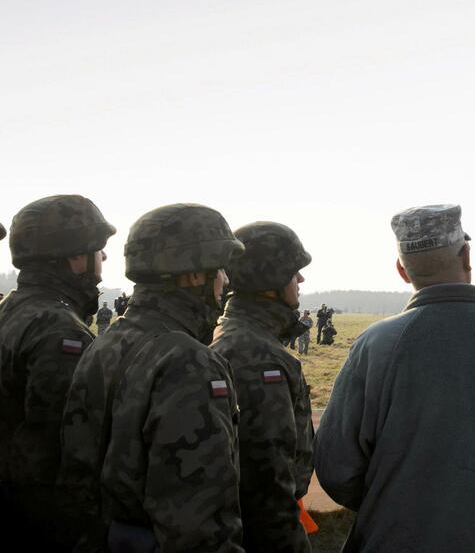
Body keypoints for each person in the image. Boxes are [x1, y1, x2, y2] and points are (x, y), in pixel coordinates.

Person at [315, 204, 475, 552]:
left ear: (401, 270)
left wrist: (390, 502)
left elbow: (337, 468)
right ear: (467, 256)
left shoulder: (376, 346)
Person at [59, 203, 245, 552]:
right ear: (194, 275)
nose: (226, 281)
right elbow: (200, 525)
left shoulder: (106, 343)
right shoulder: (189, 362)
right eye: (220, 269)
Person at [0, 195, 115, 551]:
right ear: (76, 257)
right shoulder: (60, 330)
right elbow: (60, 454)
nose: (105, 257)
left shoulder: (12, 311)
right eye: (99, 248)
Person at [211, 221, 315, 552]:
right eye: (294, 271)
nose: (300, 280)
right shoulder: (258, 358)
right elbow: (267, 486)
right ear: (269, 279)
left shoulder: (234, 333)